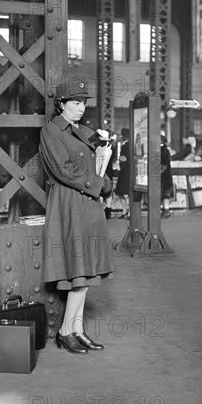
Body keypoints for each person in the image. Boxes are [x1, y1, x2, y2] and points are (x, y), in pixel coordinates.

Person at [39, 79, 113, 355]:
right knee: (77, 274)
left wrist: (106, 171)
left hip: (88, 205)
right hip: (70, 204)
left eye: (83, 103)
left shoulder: (84, 132)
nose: (81, 108)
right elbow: (63, 170)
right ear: (61, 104)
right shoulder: (52, 131)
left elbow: (97, 165)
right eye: (75, 103)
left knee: (85, 272)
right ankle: (65, 332)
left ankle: (77, 330)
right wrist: (98, 184)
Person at [95, 128, 117, 219]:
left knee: (100, 192)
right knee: (108, 192)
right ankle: (108, 211)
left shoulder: (98, 148)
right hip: (109, 171)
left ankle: (101, 211)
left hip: (100, 172)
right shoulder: (111, 147)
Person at [115, 128, 130, 218]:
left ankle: (125, 211)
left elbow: (124, 159)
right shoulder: (132, 145)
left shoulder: (124, 146)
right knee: (128, 193)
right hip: (130, 171)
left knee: (120, 192)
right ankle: (128, 212)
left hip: (124, 172)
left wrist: (120, 167)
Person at [160, 135, 173, 218]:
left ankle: (165, 211)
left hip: (163, 176)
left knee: (164, 194)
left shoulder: (162, 150)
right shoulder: (166, 150)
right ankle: (166, 210)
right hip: (166, 176)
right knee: (166, 194)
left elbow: (164, 161)